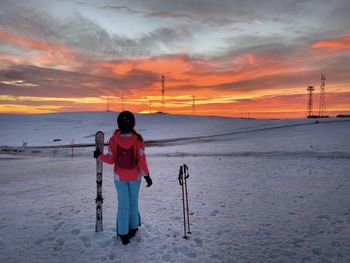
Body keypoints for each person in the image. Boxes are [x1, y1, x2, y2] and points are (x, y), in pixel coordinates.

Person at [94, 111, 152, 245]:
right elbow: (141, 161)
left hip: (119, 177)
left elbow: (110, 159)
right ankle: (133, 228)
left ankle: (123, 233)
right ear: (133, 123)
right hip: (135, 177)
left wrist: (99, 155)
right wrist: (147, 176)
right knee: (133, 202)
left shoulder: (114, 139)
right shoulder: (138, 140)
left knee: (123, 204)